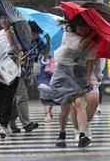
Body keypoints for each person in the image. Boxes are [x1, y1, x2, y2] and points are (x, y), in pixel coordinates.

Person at [40, 16, 99, 148]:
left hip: (79, 72)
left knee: (80, 103)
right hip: (62, 71)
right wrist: (93, 35)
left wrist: (88, 78)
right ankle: (62, 133)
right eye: (80, 27)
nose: (83, 30)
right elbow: (79, 46)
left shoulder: (94, 42)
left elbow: (90, 61)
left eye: (86, 28)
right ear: (75, 26)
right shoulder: (68, 33)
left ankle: (82, 135)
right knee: (65, 107)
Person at [0, 15, 21, 139]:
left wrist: (9, 34)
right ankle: (7, 121)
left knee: (7, 98)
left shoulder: (17, 33)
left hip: (11, 71)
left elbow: (17, 50)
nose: (4, 21)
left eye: (6, 19)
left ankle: (3, 125)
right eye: (2, 18)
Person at [9, 21, 47, 133]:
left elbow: (44, 52)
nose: (36, 36)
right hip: (16, 73)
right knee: (22, 97)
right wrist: (18, 57)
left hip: (27, 74)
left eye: (37, 34)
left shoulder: (38, 42)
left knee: (17, 100)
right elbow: (10, 54)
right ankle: (26, 124)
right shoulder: (18, 40)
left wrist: (48, 42)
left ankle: (11, 123)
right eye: (35, 33)